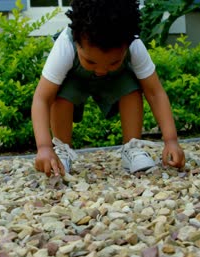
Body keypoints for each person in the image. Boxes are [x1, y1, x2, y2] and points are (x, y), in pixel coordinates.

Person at [31, 0, 185, 177]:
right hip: (74, 83)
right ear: (76, 39)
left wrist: (171, 140)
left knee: (133, 87)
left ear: (127, 45)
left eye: (114, 62)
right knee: (58, 94)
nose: (101, 70)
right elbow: (42, 98)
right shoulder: (65, 44)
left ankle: (132, 147)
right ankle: (61, 150)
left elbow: (155, 92)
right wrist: (44, 147)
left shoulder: (133, 44)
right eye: (90, 61)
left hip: (118, 81)